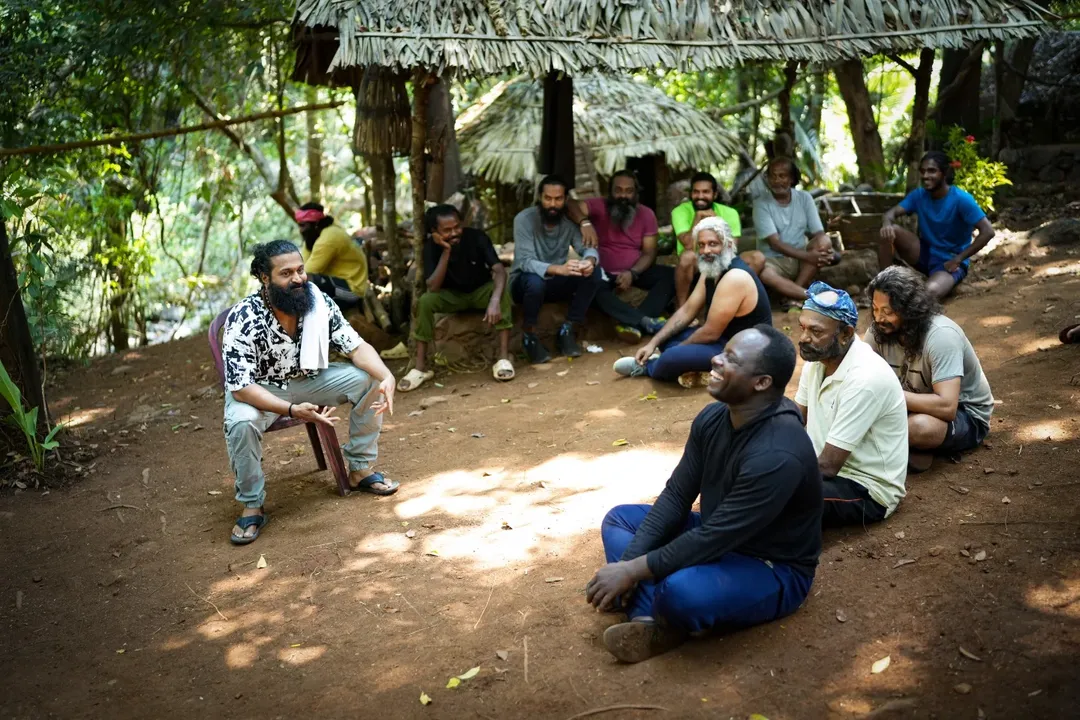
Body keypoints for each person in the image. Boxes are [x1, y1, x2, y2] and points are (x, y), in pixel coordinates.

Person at [587, 325, 822, 664]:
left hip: (768, 565)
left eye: (730, 359)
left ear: (761, 383)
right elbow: (677, 496)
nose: (715, 359)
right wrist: (627, 565)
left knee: (681, 592)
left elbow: (716, 537)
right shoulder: (714, 417)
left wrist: (631, 573)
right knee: (621, 519)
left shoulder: (777, 453)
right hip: (713, 536)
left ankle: (654, 610)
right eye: (722, 351)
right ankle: (649, 619)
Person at [221, 240, 398, 545]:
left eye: (300, 270)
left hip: (307, 381)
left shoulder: (318, 302)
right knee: (241, 423)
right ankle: (252, 504)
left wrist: (386, 375)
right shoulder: (244, 317)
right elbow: (241, 387)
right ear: (266, 278)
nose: (298, 278)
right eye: (286, 273)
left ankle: (359, 469)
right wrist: (291, 410)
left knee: (368, 379)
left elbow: (355, 346)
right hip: (258, 389)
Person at [794, 282, 908, 527]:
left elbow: (828, 466)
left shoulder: (865, 378)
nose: (804, 338)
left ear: (845, 334)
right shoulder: (817, 361)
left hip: (866, 489)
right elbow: (795, 420)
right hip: (827, 471)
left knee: (777, 497)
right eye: (802, 327)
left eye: (816, 331)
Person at [613, 217, 771, 387]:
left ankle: (649, 367)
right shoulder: (713, 268)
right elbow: (687, 310)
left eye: (713, 244)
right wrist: (653, 344)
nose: (706, 251)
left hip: (745, 352)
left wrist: (678, 350)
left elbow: (710, 333)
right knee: (664, 333)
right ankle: (693, 367)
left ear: (728, 245)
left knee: (672, 356)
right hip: (723, 341)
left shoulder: (735, 277)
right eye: (701, 245)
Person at [866, 267, 994, 472]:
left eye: (888, 311)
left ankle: (897, 446)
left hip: (964, 414)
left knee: (919, 427)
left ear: (910, 310)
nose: (879, 318)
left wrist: (889, 395)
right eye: (875, 309)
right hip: (908, 405)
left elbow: (947, 406)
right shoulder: (879, 331)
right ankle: (905, 448)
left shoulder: (941, 336)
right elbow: (862, 377)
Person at [400, 204, 514, 392]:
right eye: (447, 230)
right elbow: (433, 286)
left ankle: (502, 358)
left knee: (501, 291)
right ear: (434, 231)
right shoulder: (430, 248)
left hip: (480, 292)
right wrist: (446, 251)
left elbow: (499, 270)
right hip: (452, 297)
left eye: (457, 227)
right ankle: (420, 368)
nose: (454, 233)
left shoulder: (477, 237)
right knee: (426, 301)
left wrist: (494, 301)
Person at [568, 170, 674, 343]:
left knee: (671, 276)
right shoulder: (598, 206)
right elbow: (570, 203)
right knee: (590, 285)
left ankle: (633, 323)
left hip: (635, 271)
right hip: (602, 272)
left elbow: (649, 252)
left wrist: (632, 273)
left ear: (636, 193)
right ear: (610, 191)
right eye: (618, 190)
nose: (623, 195)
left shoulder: (647, 215)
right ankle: (645, 322)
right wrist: (584, 222)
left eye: (629, 191)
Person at [879, 151, 996, 300]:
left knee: (928, 294)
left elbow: (988, 231)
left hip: (950, 261)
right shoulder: (919, 195)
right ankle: (883, 286)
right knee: (889, 231)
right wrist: (887, 223)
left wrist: (959, 259)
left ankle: (934, 283)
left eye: (932, 171)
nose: (925, 176)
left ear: (944, 173)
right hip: (925, 254)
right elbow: (890, 213)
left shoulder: (961, 199)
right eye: (923, 171)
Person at [510, 175, 600, 363]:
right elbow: (525, 261)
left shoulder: (569, 222)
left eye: (558, 199)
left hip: (554, 284)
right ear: (540, 198)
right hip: (524, 284)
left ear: (566, 200)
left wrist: (589, 261)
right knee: (535, 281)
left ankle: (567, 329)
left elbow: (587, 248)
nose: (552, 204)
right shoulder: (524, 219)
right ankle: (529, 336)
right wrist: (559, 269)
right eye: (548, 198)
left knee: (594, 273)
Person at [742, 157, 837, 308]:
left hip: (801, 259)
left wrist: (819, 251)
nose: (776, 180)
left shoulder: (804, 198)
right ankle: (809, 296)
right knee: (765, 274)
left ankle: (793, 296)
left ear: (792, 178)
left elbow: (818, 232)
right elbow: (775, 244)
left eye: (782, 176)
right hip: (774, 261)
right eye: (772, 176)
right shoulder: (761, 204)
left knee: (824, 241)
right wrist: (810, 256)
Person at [670, 171, 742, 309]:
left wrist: (716, 224)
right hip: (695, 263)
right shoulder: (679, 211)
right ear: (691, 193)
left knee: (756, 258)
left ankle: (735, 305)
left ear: (714, 194)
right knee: (687, 257)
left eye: (705, 192)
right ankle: (682, 307)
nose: (700, 196)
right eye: (696, 192)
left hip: (722, 259)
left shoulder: (729, 213)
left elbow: (732, 248)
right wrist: (698, 218)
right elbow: (688, 244)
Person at [295, 203, 369, 305]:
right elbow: (301, 263)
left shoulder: (328, 238)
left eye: (303, 225)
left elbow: (306, 272)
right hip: (340, 281)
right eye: (299, 225)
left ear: (315, 224)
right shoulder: (317, 233)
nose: (300, 230)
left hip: (353, 290)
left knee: (307, 282)